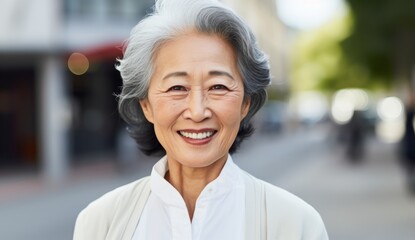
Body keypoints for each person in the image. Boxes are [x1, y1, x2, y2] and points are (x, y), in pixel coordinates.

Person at [73, 0, 328, 239]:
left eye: (218, 87)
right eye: (177, 88)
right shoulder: (101, 223)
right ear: (146, 105)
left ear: (245, 104)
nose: (197, 112)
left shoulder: (295, 224)